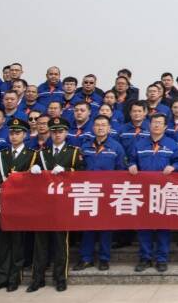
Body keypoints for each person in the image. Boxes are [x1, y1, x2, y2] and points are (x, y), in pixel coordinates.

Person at [27, 117, 85, 292]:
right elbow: (32, 177)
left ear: (66, 133)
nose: (57, 134)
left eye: (60, 131)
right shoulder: (41, 153)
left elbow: (83, 174)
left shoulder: (74, 152)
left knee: (60, 244)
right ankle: (37, 279)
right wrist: (32, 170)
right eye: (54, 131)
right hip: (43, 204)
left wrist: (67, 171)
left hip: (62, 204)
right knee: (40, 243)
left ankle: (60, 278)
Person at [0, 118, 38, 291]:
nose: (14, 136)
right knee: (3, 243)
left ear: (25, 135)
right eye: (12, 133)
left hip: (21, 205)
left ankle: (14, 279)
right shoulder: (2, 154)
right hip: (3, 203)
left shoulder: (32, 155)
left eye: (18, 133)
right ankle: (1, 278)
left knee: (18, 243)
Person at [128, 112, 178, 272]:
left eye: (160, 122)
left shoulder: (172, 144)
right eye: (154, 122)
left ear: (165, 126)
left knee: (163, 227)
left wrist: (174, 167)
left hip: (163, 192)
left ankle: (162, 259)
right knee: (144, 226)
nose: (157, 125)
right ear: (149, 125)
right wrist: (131, 165)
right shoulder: (139, 144)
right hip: (144, 192)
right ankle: (145, 258)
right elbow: (131, 160)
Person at [74, 115, 126, 272]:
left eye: (104, 125)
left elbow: (121, 171)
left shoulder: (116, 147)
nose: (100, 127)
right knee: (87, 227)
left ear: (109, 128)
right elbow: (79, 168)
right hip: (88, 192)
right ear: (93, 128)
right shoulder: (85, 147)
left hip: (107, 194)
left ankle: (104, 258)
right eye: (97, 125)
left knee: (106, 227)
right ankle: (86, 258)